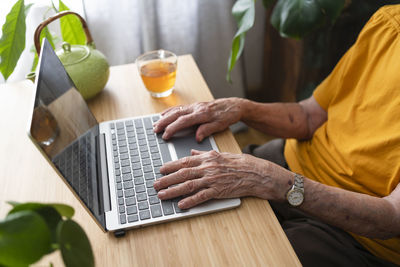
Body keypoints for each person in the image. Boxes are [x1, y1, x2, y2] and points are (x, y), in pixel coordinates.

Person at [152, 5, 400, 267]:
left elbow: (392, 216)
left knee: (228, 255)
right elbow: (309, 116)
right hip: (290, 164)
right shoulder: (389, 24)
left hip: (357, 237)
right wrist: (242, 108)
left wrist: (277, 182)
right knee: (173, 203)